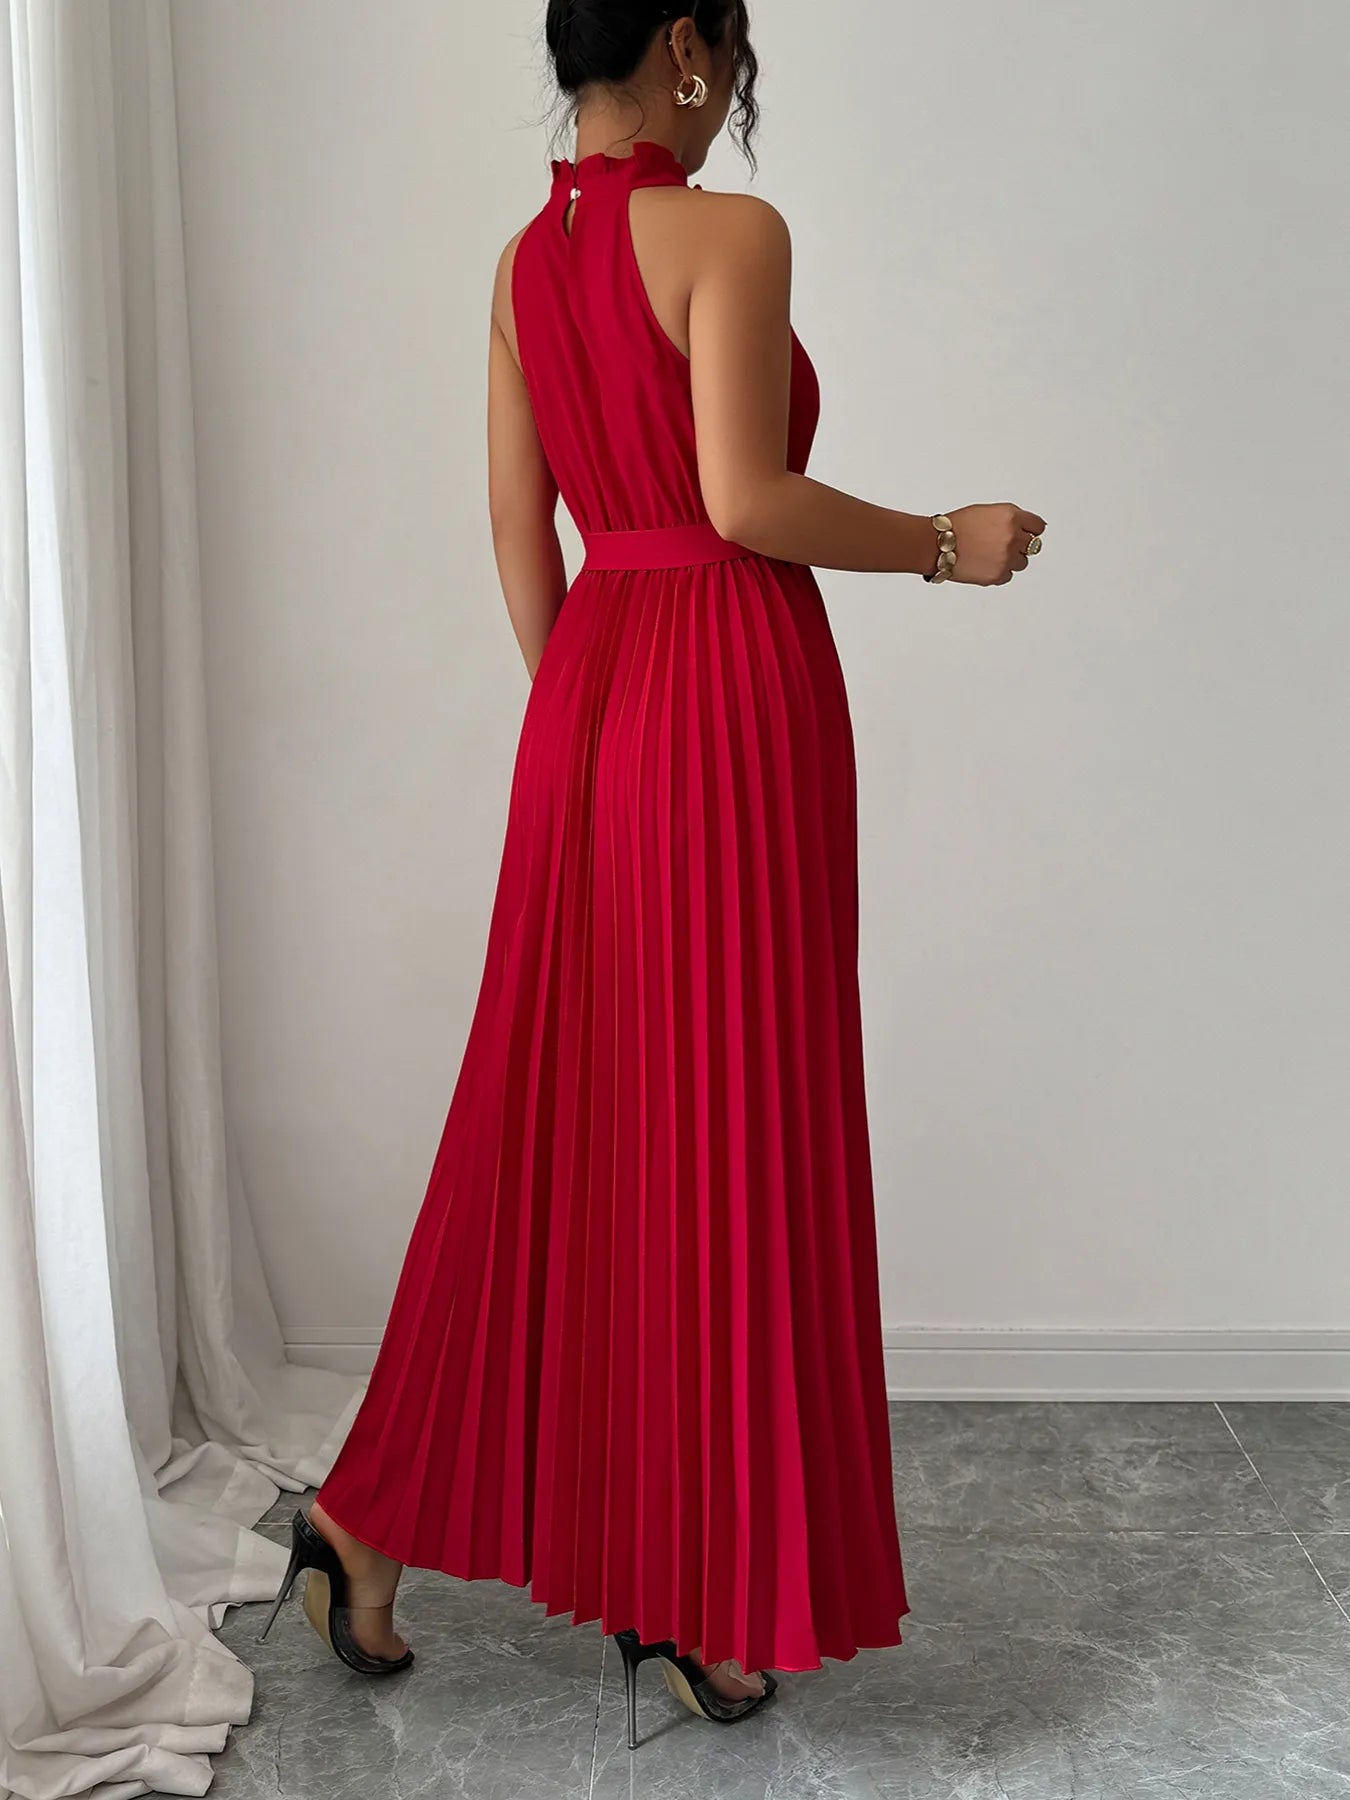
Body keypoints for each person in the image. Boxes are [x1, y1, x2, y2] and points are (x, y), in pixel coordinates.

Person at [258, 0, 1046, 1749]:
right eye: (731, 64)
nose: (732, 98)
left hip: (596, 703)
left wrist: (588, 734)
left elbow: (512, 526)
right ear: (686, 46)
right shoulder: (731, 232)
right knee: (721, 1130)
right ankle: (686, 1589)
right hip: (728, 695)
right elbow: (746, 500)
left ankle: (369, 1524)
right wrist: (939, 545)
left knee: (560, 1131)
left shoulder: (519, 266)